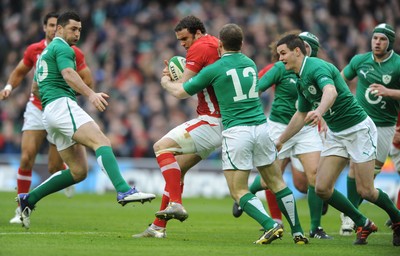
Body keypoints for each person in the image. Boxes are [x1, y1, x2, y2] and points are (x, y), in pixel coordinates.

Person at [160, 23, 309, 245]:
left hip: (237, 132)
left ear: (220, 44)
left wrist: (165, 82)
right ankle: (298, 233)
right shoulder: (249, 63)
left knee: (238, 190)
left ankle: (270, 225)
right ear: (242, 44)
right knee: (277, 183)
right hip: (261, 128)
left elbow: (182, 91)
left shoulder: (215, 69)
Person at [17, 10, 155, 229]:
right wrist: (91, 94)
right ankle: (123, 189)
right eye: (73, 28)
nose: (77, 33)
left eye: (80, 29)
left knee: (79, 171)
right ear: (59, 29)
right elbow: (69, 74)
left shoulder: (45, 53)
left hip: (49, 112)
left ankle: (28, 199)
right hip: (62, 106)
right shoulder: (62, 46)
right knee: (102, 141)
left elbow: (35, 86)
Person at [275, 34, 400, 246]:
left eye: (283, 53)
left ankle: (397, 220)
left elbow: (330, 91)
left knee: (366, 191)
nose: (280, 59)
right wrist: (280, 141)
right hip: (336, 133)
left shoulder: (316, 67)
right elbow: (299, 115)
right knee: (322, 188)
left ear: (297, 51)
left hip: (359, 130)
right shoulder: (300, 79)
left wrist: (320, 111)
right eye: (279, 55)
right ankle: (363, 222)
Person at [233, 31, 332, 239]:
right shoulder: (280, 68)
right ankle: (248, 195)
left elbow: (328, 97)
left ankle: (315, 228)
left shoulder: (319, 70)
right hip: (279, 126)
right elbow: (257, 87)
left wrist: (323, 117)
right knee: (272, 177)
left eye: (308, 46)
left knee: (311, 178)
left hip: (305, 128)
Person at [132, 15, 222, 239]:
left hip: (212, 119)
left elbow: (183, 90)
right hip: (225, 120)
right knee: (177, 170)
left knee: (161, 147)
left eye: (185, 38)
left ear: (198, 33)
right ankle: (158, 227)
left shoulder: (200, 46)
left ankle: (176, 203)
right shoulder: (214, 44)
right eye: (180, 40)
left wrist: (166, 81)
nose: (183, 44)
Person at [0, 12, 92, 224]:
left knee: (53, 167)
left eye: (55, 25)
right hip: (36, 108)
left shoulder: (73, 52)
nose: (52, 29)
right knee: (26, 157)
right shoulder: (34, 49)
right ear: (45, 28)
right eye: (50, 25)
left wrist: (67, 92)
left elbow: (87, 80)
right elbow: (20, 71)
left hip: (58, 108)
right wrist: (8, 87)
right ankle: (20, 209)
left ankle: (67, 172)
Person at [339, 23, 400, 237]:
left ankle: (357, 214)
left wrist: (389, 92)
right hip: (360, 122)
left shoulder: (398, 64)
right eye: (375, 38)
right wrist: (345, 100)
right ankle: (350, 217)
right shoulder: (359, 60)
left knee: (368, 177)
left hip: (385, 126)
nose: (377, 42)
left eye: (382, 39)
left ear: (389, 42)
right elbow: (340, 78)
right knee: (354, 169)